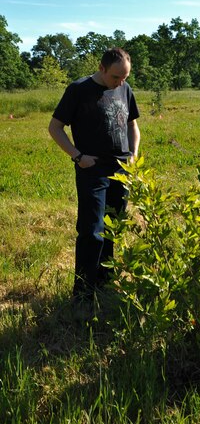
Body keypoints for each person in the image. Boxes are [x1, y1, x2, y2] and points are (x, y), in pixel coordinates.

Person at [48, 47, 140, 304]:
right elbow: (55, 127)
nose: (120, 82)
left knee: (112, 228)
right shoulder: (79, 90)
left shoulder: (125, 88)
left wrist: (133, 154)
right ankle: (83, 294)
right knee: (91, 231)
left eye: (125, 77)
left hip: (122, 171)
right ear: (101, 68)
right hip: (92, 169)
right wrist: (78, 156)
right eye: (115, 77)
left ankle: (105, 285)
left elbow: (133, 125)